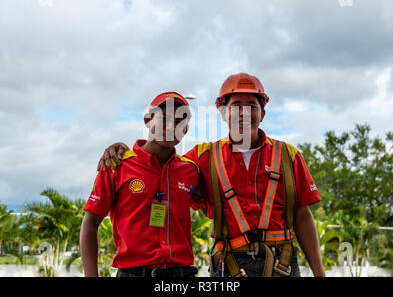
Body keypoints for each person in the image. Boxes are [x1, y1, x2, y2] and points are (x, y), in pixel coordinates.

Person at [98, 73, 325, 277]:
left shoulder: (288, 156)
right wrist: (119, 149)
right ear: (223, 112)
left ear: (263, 113)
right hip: (230, 265)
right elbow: (159, 161)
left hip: (281, 264)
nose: (244, 112)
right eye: (236, 105)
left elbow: (302, 215)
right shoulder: (202, 157)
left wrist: (319, 273)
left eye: (252, 106)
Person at [80, 92, 205, 277]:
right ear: (148, 120)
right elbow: (90, 224)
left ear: (185, 130)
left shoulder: (191, 171)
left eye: (179, 121)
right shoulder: (116, 164)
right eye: (164, 118)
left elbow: (213, 209)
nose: (171, 126)